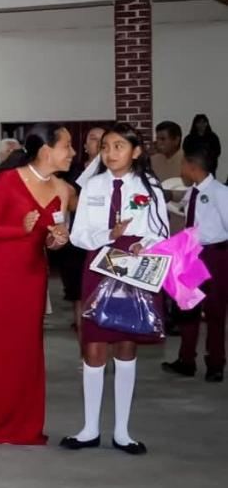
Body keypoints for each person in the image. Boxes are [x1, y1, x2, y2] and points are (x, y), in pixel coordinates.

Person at [63, 123, 170, 454]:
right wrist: (107, 235)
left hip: (134, 270)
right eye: (106, 147)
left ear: (136, 151)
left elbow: (162, 231)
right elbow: (78, 235)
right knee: (94, 345)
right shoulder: (92, 186)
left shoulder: (149, 187)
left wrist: (145, 244)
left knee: (126, 345)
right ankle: (89, 428)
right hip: (98, 264)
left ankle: (122, 431)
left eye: (119, 146)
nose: (110, 153)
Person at [0, 129, 75, 445]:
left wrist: (57, 240)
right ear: (46, 150)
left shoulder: (64, 189)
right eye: (66, 146)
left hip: (32, 275)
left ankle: (24, 423)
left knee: (27, 348)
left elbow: (53, 237)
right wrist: (20, 227)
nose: (72, 153)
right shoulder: (7, 179)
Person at [162, 146, 227, 382]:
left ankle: (216, 362)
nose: (181, 170)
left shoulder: (220, 192)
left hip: (214, 254)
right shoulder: (193, 192)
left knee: (215, 311)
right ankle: (186, 359)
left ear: (192, 166)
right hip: (191, 253)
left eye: (182, 165)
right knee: (187, 307)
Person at [151, 121, 184, 185]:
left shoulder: (188, 161)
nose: (159, 143)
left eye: (163, 139)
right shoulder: (153, 160)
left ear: (176, 140)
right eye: (157, 139)